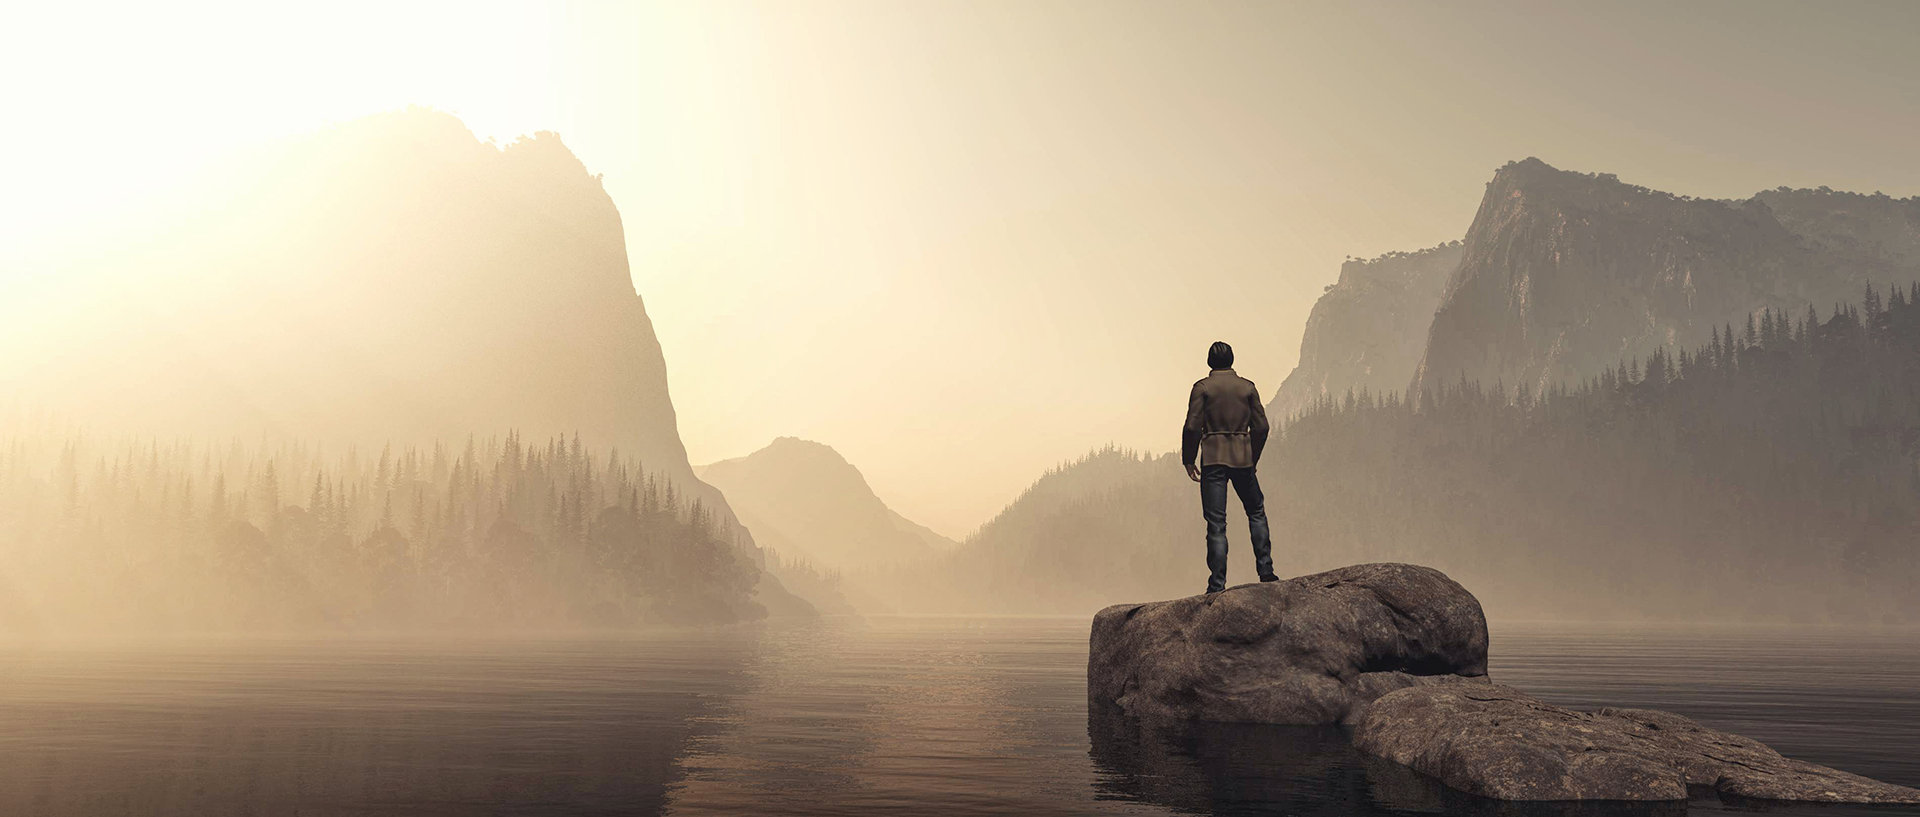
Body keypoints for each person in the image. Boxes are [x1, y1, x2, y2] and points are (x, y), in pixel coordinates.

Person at [1181, 341, 1274, 594]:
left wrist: (1188, 459)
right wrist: (1251, 455)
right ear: (1232, 359)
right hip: (1243, 458)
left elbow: (1191, 426)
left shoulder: (1202, 388)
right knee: (1256, 512)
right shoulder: (1247, 387)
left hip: (1212, 459)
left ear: (1210, 361)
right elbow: (1262, 427)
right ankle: (1266, 571)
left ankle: (1217, 584)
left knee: (1216, 523)